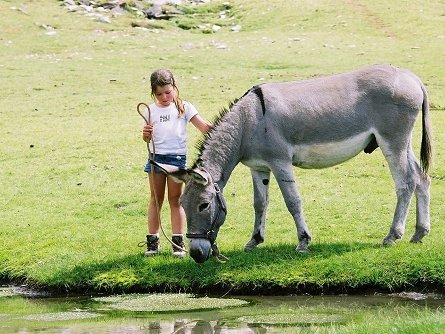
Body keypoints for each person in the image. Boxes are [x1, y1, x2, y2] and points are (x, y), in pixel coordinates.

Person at [141, 69, 211, 257]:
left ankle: (177, 243)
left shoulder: (185, 107)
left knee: (175, 200)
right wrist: (145, 135)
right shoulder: (150, 110)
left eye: (168, 92)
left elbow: (204, 127)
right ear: (153, 93)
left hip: (176, 160)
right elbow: (147, 139)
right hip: (156, 160)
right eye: (159, 94)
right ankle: (152, 243)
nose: (164, 97)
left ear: (174, 87)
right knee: (156, 200)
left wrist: (224, 133)